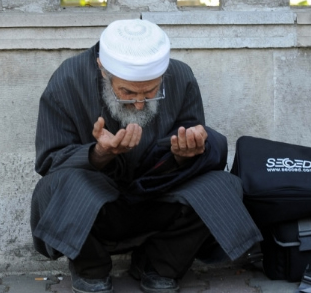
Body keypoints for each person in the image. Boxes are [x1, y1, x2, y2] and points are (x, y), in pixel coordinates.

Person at [30, 19, 262, 293]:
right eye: (127, 92)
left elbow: (193, 143)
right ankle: (90, 269)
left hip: (159, 196)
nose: (139, 103)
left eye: (151, 92)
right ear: (103, 69)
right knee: (53, 189)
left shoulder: (182, 77)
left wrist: (184, 154)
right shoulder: (68, 79)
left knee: (224, 186)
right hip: (96, 206)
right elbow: (49, 162)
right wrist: (98, 154)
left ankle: (159, 266)